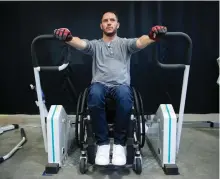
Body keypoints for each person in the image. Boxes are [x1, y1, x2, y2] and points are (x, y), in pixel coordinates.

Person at [54, 11, 167, 166]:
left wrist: (152, 37)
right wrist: (68, 38)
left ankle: (120, 145)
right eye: (105, 20)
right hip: (99, 85)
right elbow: (81, 43)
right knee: (94, 96)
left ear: (117, 25)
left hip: (121, 85)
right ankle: (103, 144)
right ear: (101, 25)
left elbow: (140, 42)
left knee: (125, 98)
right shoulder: (95, 45)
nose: (109, 23)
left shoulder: (125, 44)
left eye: (112, 20)